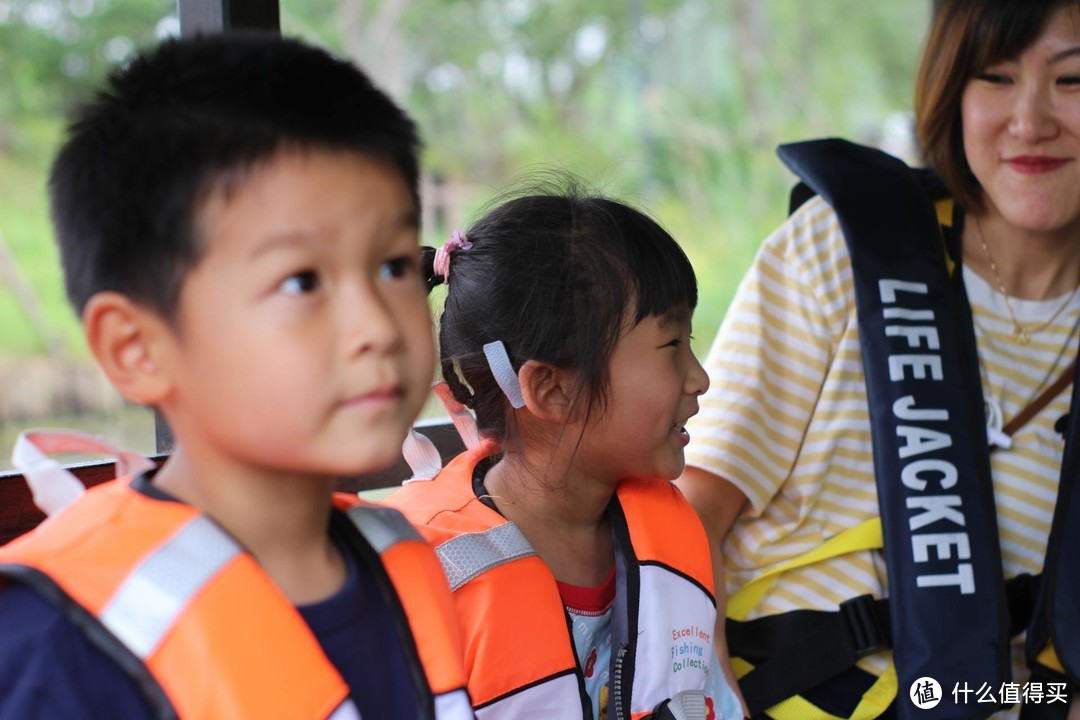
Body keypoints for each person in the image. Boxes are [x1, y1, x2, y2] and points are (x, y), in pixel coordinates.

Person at [0, 33, 473, 719]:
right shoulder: (55, 647)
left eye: (394, 266)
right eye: (301, 280)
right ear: (137, 348)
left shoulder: (406, 563)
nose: (374, 323)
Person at [676, 1, 1080, 719]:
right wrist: (712, 698)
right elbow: (691, 512)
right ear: (950, 91)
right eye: (994, 77)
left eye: (1072, 80)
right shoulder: (844, 253)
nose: (1030, 120)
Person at [384, 181, 745, 720]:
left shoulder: (668, 534)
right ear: (553, 391)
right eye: (671, 345)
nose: (700, 378)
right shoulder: (427, 585)